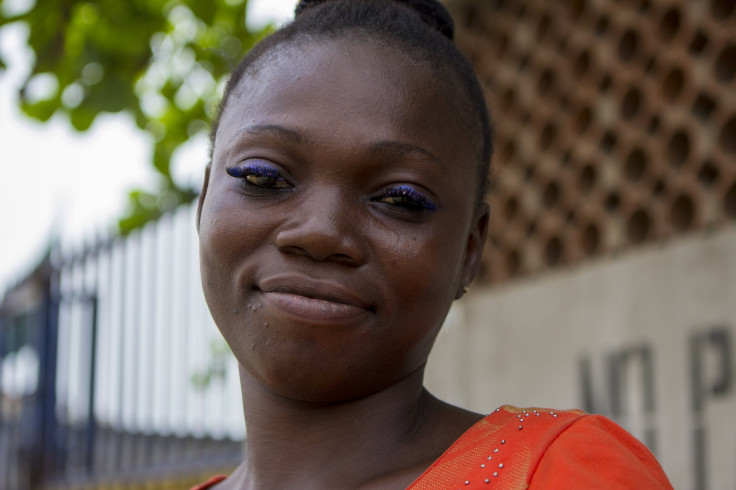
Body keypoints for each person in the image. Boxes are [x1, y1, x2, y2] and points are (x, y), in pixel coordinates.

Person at [192, 0, 673, 488]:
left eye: (400, 199)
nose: (319, 231)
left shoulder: (556, 474)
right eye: (263, 176)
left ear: (469, 250)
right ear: (204, 199)